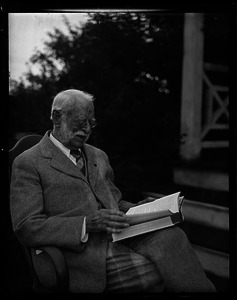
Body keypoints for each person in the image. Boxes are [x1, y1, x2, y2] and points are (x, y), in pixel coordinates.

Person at [10, 89, 216, 293]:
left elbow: (114, 203)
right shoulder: (29, 162)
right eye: (80, 123)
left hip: (119, 235)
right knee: (151, 274)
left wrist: (139, 209)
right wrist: (86, 224)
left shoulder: (98, 155)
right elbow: (26, 227)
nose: (87, 130)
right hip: (76, 253)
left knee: (173, 236)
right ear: (56, 117)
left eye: (91, 123)